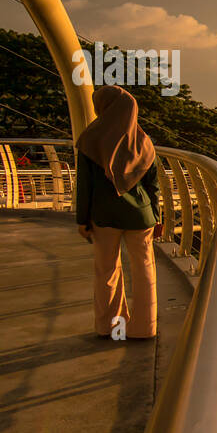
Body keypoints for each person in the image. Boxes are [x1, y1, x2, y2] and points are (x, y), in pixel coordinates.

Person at [75, 85, 160, 340]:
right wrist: (157, 217)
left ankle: (109, 327)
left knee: (107, 271)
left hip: (104, 215)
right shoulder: (143, 142)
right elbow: (153, 185)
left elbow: (84, 186)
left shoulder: (91, 139)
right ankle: (145, 329)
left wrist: (82, 219)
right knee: (144, 270)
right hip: (141, 216)